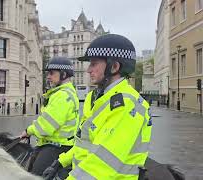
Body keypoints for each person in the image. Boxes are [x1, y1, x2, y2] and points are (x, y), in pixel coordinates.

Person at [43, 34, 152, 180]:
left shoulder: (126, 104)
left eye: (93, 64)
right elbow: (87, 143)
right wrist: (61, 161)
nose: (88, 70)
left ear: (114, 67)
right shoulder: (100, 98)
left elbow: (102, 162)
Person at [19, 57, 80, 176]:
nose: (48, 77)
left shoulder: (62, 96)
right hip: (53, 144)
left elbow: (46, 126)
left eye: (52, 73)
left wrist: (28, 131)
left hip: (56, 147)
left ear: (63, 74)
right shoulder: (62, 93)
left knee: (35, 176)